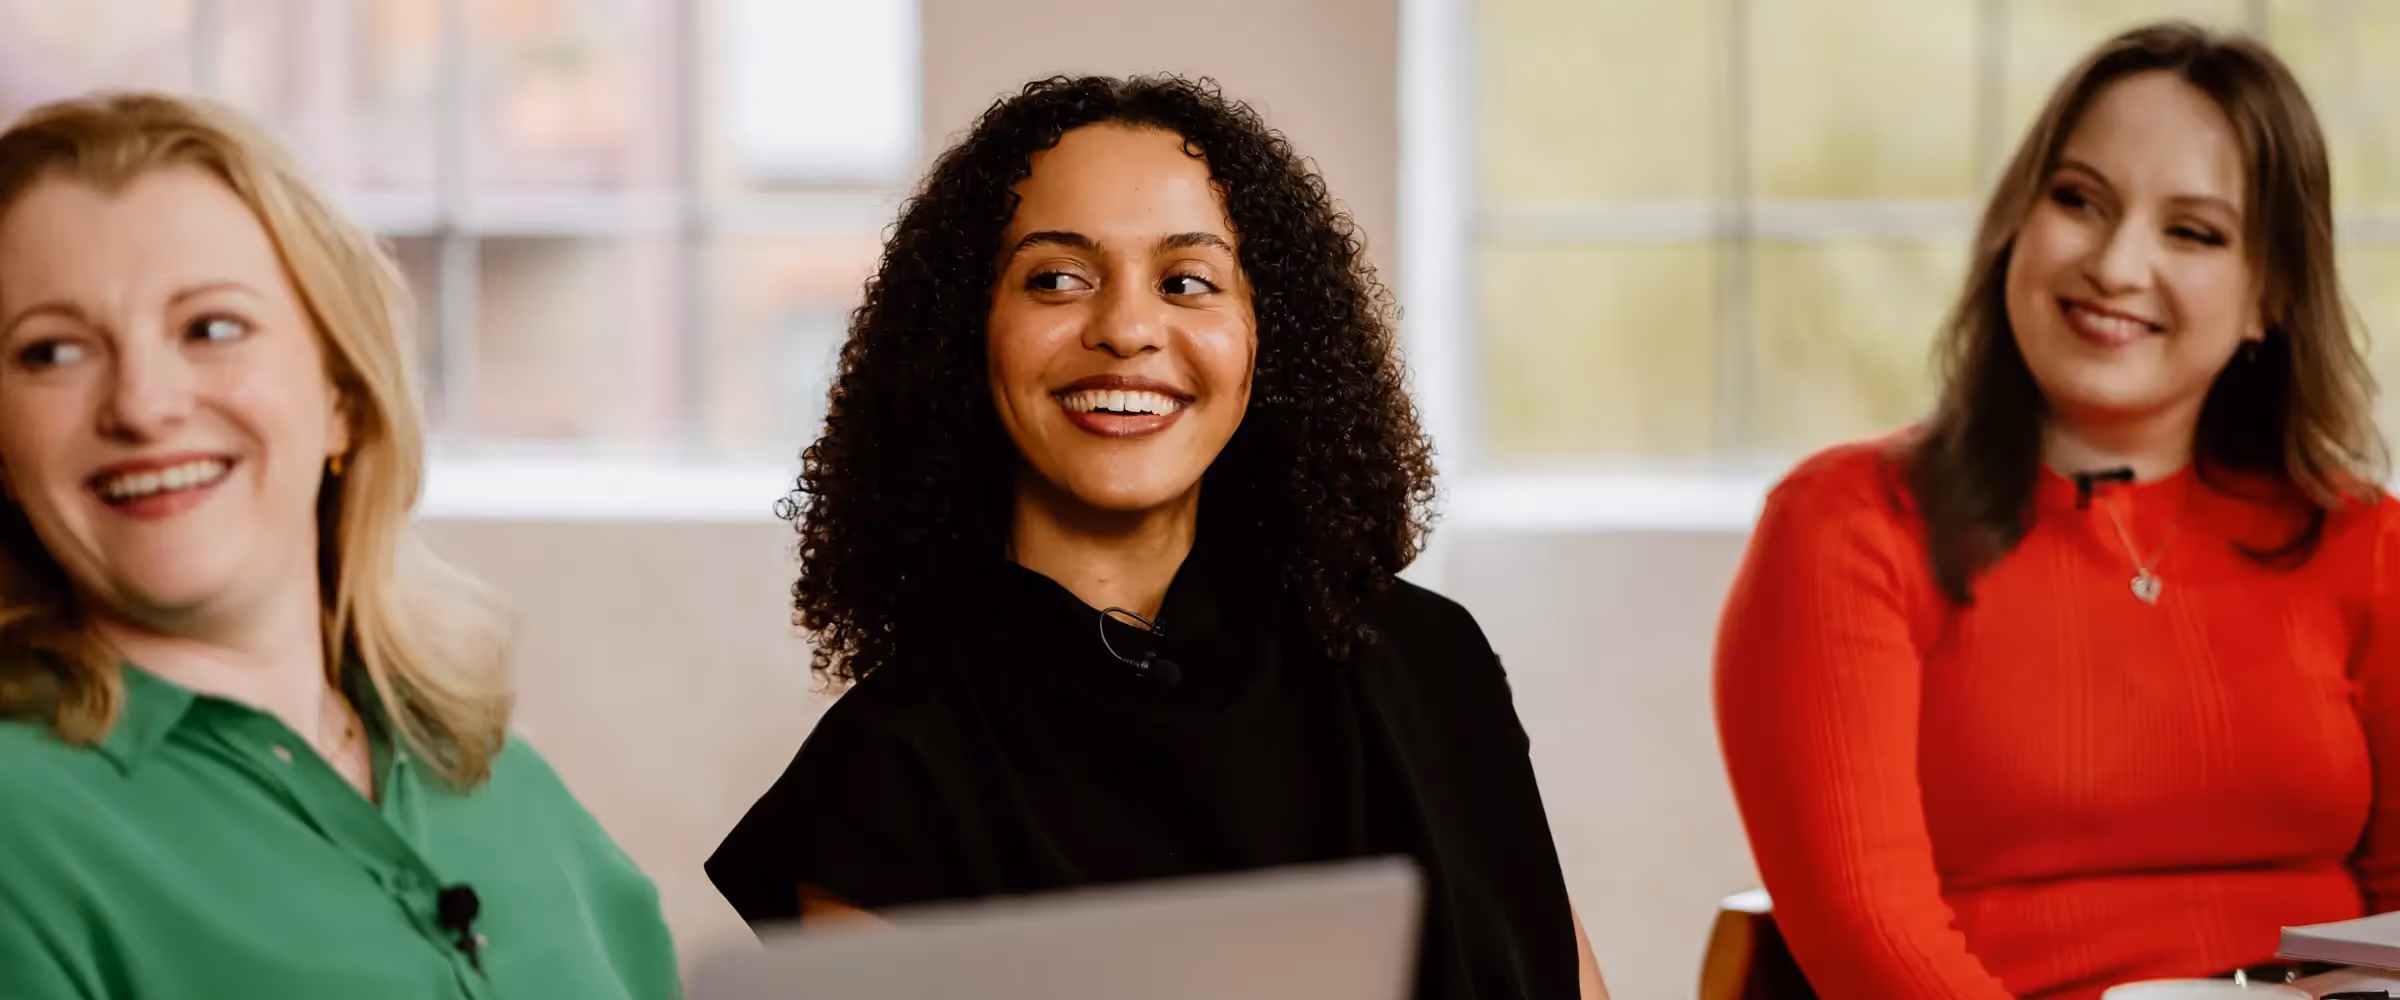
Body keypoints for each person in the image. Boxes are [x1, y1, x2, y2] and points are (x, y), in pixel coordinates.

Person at [705, 75, 1609, 999]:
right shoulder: (888, 771)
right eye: (1056, 278)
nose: (1129, 328)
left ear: (1269, 339)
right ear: (965, 336)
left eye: (1188, 281)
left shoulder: (1429, 660)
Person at [1715, 21, 2398, 1000]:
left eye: (2192, 231)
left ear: (2269, 297)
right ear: (2014, 228)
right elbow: (1876, 947)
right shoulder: (1845, 526)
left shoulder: (2363, 540)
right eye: (2079, 201)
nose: (2117, 266)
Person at [0, 93, 679, 999]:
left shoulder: (501, 782)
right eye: (51, 351)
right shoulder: (20, 835)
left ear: (342, 398)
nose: (143, 405)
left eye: (211, 328)